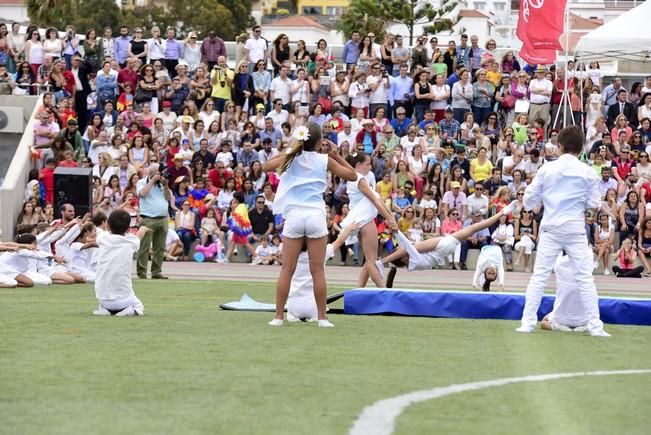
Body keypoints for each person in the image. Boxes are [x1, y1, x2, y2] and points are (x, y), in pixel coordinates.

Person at [517, 125, 610, 337]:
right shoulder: (587, 172)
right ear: (580, 148)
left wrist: (543, 198)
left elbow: (529, 202)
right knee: (585, 278)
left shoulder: (546, 169)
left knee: (539, 276)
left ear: (559, 146)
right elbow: (594, 203)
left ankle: (527, 323)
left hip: (551, 226)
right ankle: (596, 327)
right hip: (575, 227)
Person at [263, 122, 356, 327]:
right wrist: (336, 155)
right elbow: (352, 175)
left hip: (295, 216)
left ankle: (278, 316)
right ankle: (322, 318)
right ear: (320, 142)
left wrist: (289, 149)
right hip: (315, 215)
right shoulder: (324, 160)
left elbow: (265, 166)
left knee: (287, 269)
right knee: (318, 270)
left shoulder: (291, 158)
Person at [375, 200, 516, 279]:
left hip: (444, 249)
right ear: (404, 259)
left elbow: (404, 249)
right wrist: (396, 232)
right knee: (477, 227)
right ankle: (381, 262)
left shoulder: (412, 264)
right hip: (442, 245)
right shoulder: (414, 258)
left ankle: (503, 212)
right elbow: (406, 247)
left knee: (477, 227)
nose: (400, 251)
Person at [340, 152, 398, 287]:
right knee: (372, 260)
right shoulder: (359, 179)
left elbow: (377, 199)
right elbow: (376, 201)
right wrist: (389, 218)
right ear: (359, 165)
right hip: (365, 219)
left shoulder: (354, 178)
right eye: (367, 164)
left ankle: (359, 289)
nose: (370, 167)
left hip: (360, 219)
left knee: (369, 258)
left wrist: (389, 215)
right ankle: (384, 290)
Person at [287, 222, 360, 322]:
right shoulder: (322, 252)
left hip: (293, 306)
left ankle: (291, 316)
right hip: (313, 306)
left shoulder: (292, 254)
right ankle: (317, 316)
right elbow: (339, 241)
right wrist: (348, 229)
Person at [93, 210, 150, 316]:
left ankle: (105, 310)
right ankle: (128, 311)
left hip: (102, 298)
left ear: (108, 226)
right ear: (128, 229)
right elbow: (140, 234)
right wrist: (143, 228)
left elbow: (101, 235)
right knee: (139, 307)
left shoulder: (102, 238)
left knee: (105, 299)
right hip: (124, 300)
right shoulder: (131, 241)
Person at [136, 164, 173, 279]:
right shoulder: (142, 182)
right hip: (148, 219)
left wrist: (166, 186)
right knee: (144, 247)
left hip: (162, 218)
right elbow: (142, 194)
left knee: (160, 247)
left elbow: (168, 198)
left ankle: (156, 271)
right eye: (158, 173)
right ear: (152, 173)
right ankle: (142, 272)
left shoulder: (162, 184)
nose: (160, 175)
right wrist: (152, 181)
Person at [541, 254, 591, 332]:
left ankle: (557, 327)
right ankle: (586, 327)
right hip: (584, 319)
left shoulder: (559, 263)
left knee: (544, 322)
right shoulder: (587, 260)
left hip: (562, 319)